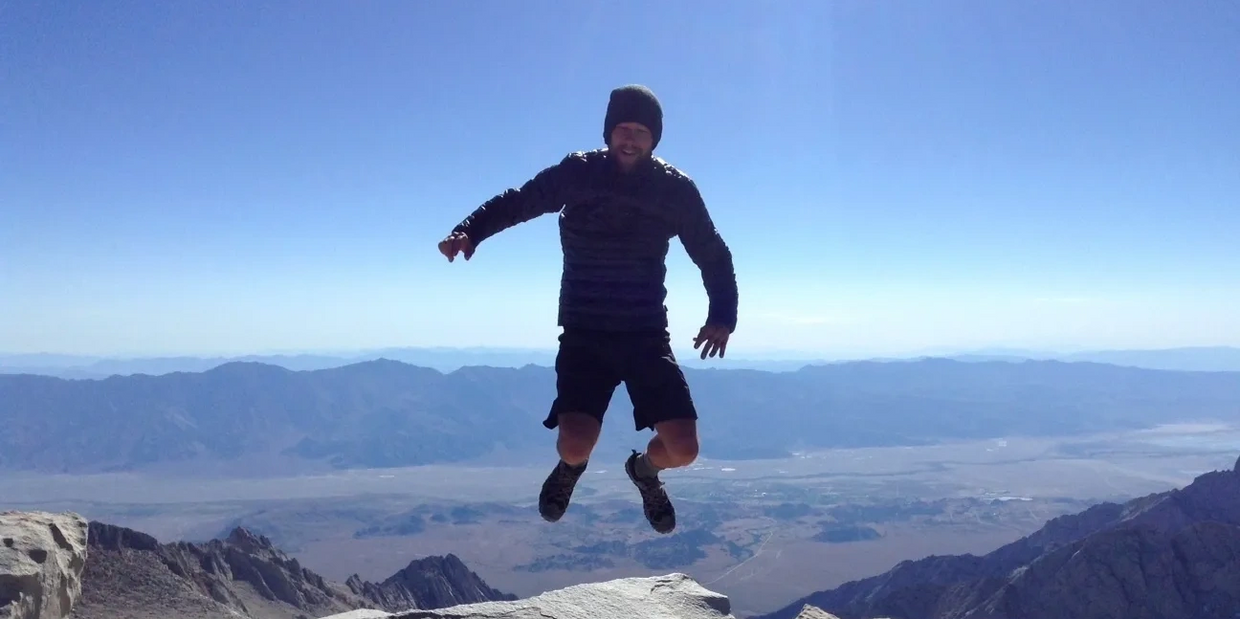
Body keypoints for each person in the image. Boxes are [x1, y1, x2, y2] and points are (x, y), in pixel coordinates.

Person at [437, 84, 738, 534]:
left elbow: (712, 252)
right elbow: (521, 200)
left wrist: (722, 314)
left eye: (640, 131)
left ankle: (644, 471)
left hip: (644, 333)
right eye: (623, 129)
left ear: (654, 138)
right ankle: (570, 469)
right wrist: (470, 230)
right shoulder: (578, 173)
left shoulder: (675, 191)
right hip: (585, 332)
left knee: (683, 450)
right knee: (575, 445)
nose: (630, 139)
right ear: (608, 132)